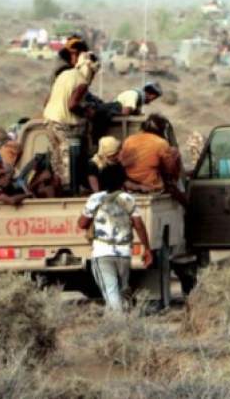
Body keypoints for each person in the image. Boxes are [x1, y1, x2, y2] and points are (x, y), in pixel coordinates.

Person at [78, 171, 151, 312]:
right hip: (124, 253)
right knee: (123, 290)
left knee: (111, 292)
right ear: (122, 182)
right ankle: (127, 318)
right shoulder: (128, 199)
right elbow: (139, 225)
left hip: (102, 253)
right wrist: (147, 248)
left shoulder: (95, 199)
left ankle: (118, 321)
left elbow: (81, 224)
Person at [43, 51, 100, 191]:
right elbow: (72, 105)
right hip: (63, 124)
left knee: (57, 162)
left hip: (49, 121)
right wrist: (86, 112)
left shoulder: (64, 74)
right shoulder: (82, 81)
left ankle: (58, 190)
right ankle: (69, 192)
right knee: (69, 160)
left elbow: (47, 101)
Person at [120, 114, 186, 205]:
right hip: (152, 186)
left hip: (130, 185)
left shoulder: (129, 140)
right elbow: (170, 169)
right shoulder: (161, 143)